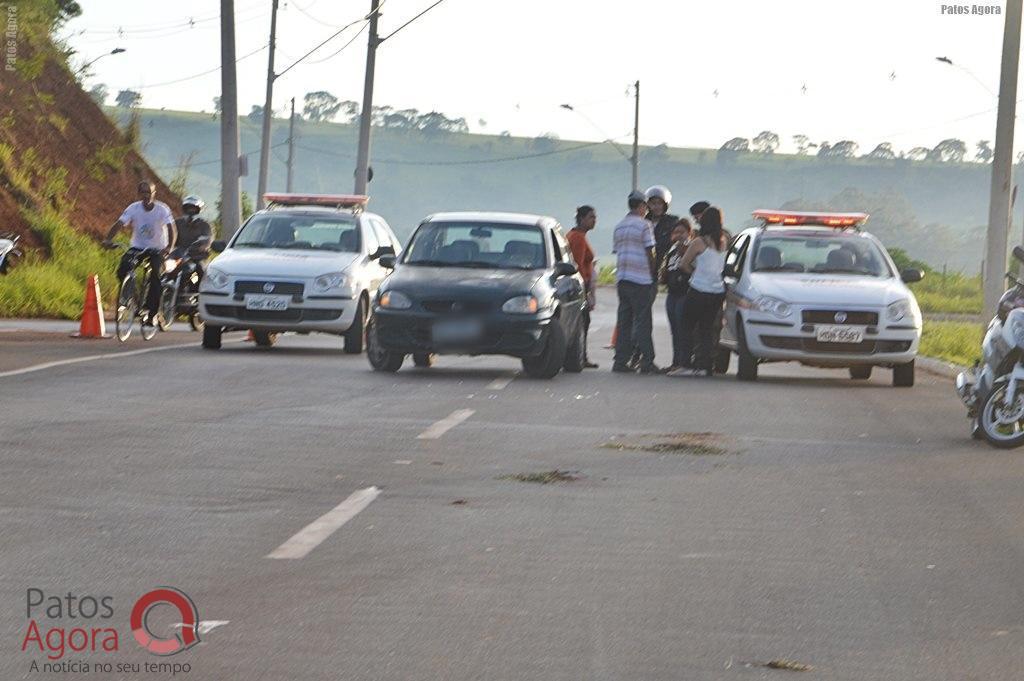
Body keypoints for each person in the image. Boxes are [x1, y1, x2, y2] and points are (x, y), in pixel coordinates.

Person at [103, 181, 176, 331]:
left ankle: (151, 312)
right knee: (123, 268)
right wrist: (108, 239)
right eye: (143, 192)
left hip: (157, 249)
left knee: (156, 275)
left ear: (154, 194)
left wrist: (169, 247)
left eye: (149, 192)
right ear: (138, 194)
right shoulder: (133, 208)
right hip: (137, 247)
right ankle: (132, 297)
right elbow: (119, 223)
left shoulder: (162, 209)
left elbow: (171, 228)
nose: (146, 196)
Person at [669, 207, 727, 377]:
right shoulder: (723, 242)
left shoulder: (699, 242)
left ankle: (685, 364)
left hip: (699, 289)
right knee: (706, 329)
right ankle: (704, 366)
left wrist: (695, 273)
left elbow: (683, 264)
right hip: (717, 291)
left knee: (686, 325)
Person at [612, 190, 658, 374]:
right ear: (642, 206)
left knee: (624, 322)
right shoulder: (645, 225)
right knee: (643, 322)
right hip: (641, 280)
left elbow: (618, 251)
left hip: (623, 279)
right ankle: (647, 361)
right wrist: (654, 272)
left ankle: (620, 361)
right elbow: (650, 252)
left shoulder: (619, 226)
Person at [566, 205, 599, 369]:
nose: (594, 220)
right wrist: (585, 288)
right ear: (582, 219)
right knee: (583, 321)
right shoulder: (578, 238)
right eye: (591, 217)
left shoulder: (576, 235)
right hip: (581, 285)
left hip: (581, 284)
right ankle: (580, 356)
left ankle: (581, 355)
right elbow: (577, 265)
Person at [659, 218, 693, 372]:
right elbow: (666, 269)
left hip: (684, 292)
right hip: (672, 293)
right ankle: (676, 362)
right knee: (674, 329)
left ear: (689, 233)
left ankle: (684, 362)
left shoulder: (690, 248)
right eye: (676, 232)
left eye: (682, 232)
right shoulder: (671, 249)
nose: (678, 235)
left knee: (682, 328)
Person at [174, 195, 213, 281]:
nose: (191, 211)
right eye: (188, 208)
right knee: (165, 268)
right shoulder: (177, 223)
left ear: (199, 210)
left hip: (197, 256)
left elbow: (208, 238)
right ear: (184, 209)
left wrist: (205, 246)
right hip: (180, 254)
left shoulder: (205, 224)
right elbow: (171, 236)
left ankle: (197, 289)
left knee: (200, 271)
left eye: (194, 208)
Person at [645, 185, 679, 272]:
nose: (656, 207)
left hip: (666, 265)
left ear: (665, 205)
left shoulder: (672, 221)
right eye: (653, 203)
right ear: (648, 205)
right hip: (645, 265)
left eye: (659, 203)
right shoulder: (643, 221)